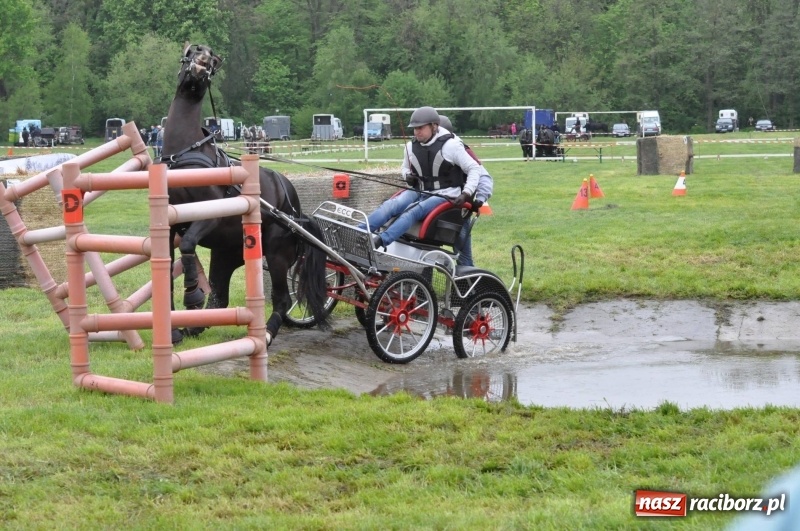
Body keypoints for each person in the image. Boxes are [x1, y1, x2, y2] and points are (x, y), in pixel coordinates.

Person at [364, 106, 481, 250]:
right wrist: (407, 176)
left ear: (434, 126)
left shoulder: (452, 146)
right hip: (420, 190)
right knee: (390, 205)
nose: (417, 131)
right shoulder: (410, 147)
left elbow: (474, 168)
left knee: (413, 211)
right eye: (414, 128)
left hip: (445, 194)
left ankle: (379, 241)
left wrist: (466, 193)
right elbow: (405, 168)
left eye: (420, 128)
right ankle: (359, 231)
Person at [439, 115, 493, 267]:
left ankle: (468, 287)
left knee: (462, 255)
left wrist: (479, 200)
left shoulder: (459, 148)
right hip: (434, 207)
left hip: (458, 211)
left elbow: (484, 177)